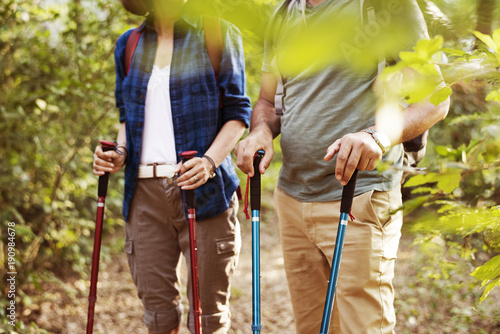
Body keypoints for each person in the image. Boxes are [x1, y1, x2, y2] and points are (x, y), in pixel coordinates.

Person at [235, 0, 449, 333]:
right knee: (312, 326)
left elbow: (436, 97)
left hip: (360, 196)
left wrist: (377, 137)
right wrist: (261, 131)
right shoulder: (283, 14)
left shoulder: (386, 7)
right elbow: (268, 101)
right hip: (292, 199)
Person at [92, 0, 252, 333]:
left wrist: (209, 162)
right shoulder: (129, 44)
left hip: (204, 193)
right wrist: (118, 153)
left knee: (206, 317)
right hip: (144, 196)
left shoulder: (217, 34)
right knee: (158, 315)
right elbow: (127, 119)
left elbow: (238, 116)